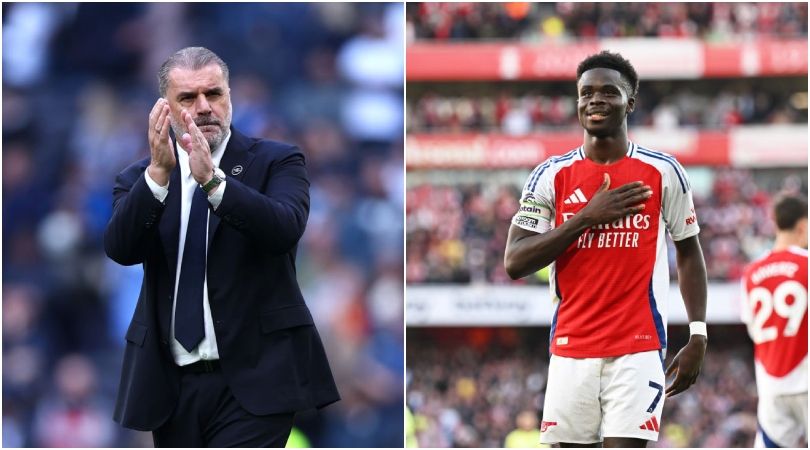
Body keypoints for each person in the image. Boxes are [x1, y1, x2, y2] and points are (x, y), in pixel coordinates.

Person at [104, 47, 340, 447]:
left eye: (213, 94)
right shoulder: (140, 178)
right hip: (173, 385)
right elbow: (121, 248)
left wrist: (215, 184)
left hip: (255, 380)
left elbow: (284, 228)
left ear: (230, 96)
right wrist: (159, 175)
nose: (203, 107)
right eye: (187, 98)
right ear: (164, 108)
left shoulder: (276, 161)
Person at [504, 51, 707, 448]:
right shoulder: (550, 175)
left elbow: (688, 249)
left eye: (608, 92)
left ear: (629, 102)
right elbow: (514, 261)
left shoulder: (663, 171)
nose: (595, 100)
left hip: (638, 347)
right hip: (570, 347)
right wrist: (585, 217)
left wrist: (698, 334)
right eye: (586, 93)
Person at [741, 194, 807, 448]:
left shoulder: (751, 272)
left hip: (771, 384)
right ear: (802, 226)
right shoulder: (806, 264)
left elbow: (752, 328)